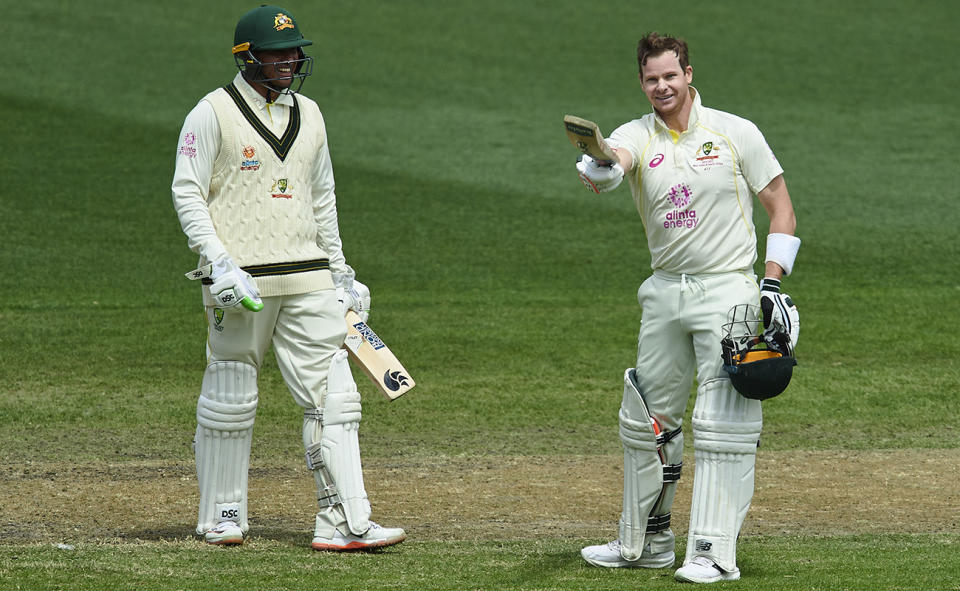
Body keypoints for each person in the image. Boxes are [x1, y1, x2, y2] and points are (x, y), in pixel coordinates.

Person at [171, 5, 406, 551]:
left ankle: (344, 520)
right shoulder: (211, 113)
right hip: (241, 282)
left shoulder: (312, 113)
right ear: (246, 57)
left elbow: (322, 198)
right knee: (231, 393)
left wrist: (341, 271)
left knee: (337, 397)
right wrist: (218, 261)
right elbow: (188, 190)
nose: (291, 60)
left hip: (310, 275)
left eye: (294, 51)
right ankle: (222, 515)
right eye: (278, 53)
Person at [575, 32, 800, 584]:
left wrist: (771, 285)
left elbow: (781, 208)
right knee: (648, 421)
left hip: (728, 289)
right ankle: (646, 541)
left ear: (689, 73)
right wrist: (600, 164)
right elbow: (616, 157)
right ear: (642, 82)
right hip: (664, 292)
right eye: (651, 79)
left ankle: (714, 552)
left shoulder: (734, 131)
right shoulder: (636, 133)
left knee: (722, 424)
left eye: (670, 76)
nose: (661, 87)